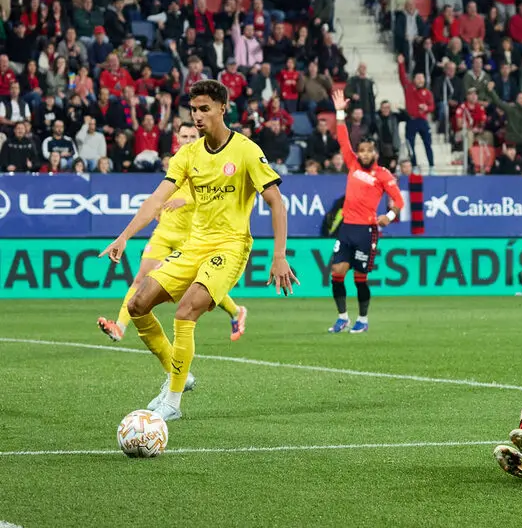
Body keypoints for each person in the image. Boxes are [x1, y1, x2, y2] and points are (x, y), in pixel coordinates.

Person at [99, 80, 298, 422]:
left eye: (205, 108)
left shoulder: (247, 150)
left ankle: (173, 402)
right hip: (194, 246)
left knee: (186, 310)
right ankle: (178, 376)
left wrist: (279, 256)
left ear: (223, 108)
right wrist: (124, 236)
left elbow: (276, 203)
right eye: (193, 110)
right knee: (137, 304)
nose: (198, 116)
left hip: (231, 246)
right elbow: (156, 199)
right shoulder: (187, 155)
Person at [97, 122, 247, 344]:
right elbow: (161, 194)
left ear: (200, 136)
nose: (188, 139)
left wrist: (183, 200)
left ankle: (235, 311)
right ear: (177, 139)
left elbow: (217, 199)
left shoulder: (210, 163)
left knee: (201, 283)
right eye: (184, 136)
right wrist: (160, 208)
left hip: (192, 236)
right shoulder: (178, 162)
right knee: (141, 278)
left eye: (192, 135)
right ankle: (119, 327)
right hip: (165, 232)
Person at [326, 89, 405, 334]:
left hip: (367, 230)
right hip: (347, 228)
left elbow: (399, 201)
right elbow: (342, 138)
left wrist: (389, 216)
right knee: (337, 272)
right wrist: (340, 112)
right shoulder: (352, 163)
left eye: (369, 150)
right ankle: (342, 317)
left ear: (376, 153)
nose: (365, 154)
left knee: (360, 277)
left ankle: (363, 319)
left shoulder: (383, 174)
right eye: (362, 151)